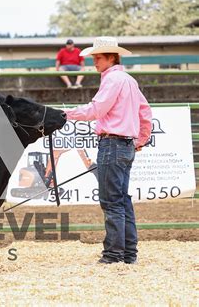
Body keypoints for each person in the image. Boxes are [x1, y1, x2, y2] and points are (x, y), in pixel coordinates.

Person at [63, 36, 152, 264]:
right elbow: (145, 112)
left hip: (112, 144)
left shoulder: (112, 80)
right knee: (122, 200)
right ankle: (128, 254)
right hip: (126, 145)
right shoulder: (129, 80)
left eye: (99, 57)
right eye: (94, 57)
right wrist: (140, 140)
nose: (95, 61)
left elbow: (97, 109)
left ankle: (113, 255)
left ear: (112, 57)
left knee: (112, 201)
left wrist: (66, 114)